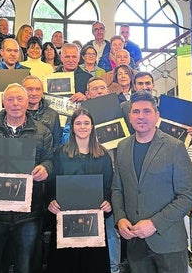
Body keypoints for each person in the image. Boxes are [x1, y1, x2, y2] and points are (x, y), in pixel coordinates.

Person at [0, 83, 54, 273]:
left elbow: (50, 161)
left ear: (27, 102)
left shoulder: (42, 132)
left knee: (26, 266)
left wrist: (45, 169)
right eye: (10, 99)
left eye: (19, 99)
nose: (15, 103)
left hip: (29, 213)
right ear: (3, 102)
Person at [111, 90, 192, 273]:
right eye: (136, 111)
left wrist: (154, 223)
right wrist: (120, 218)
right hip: (135, 243)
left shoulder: (175, 147)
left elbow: (186, 197)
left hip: (169, 242)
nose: (141, 116)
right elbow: (117, 189)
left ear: (157, 116)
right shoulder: (123, 146)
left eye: (147, 111)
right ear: (130, 116)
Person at [61, 77, 122, 273]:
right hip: (78, 191)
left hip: (109, 183)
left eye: (102, 88)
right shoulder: (77, 118)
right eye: (94, 88)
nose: (99, 91)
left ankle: (113, 268)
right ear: (87, 93)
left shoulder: (118, 112)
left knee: (110, 233)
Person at [46, 107, 113, 273]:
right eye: (78, 123)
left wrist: (108, 203)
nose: (82, 127)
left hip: (94, 224)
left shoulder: (103, 154)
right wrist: (50, 201)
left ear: (92, 126)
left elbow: (109, 185)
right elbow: (51, 184)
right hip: (65, 222)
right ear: (72, 126)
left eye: (86, 123)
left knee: (93, 266)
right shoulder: (59, 153)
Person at [22, 75, 62, 148]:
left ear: (42, 92)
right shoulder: (14, 113)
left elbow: (57, 145)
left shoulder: (53, 115)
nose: (34, 93)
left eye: (38, 89)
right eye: (30, 89)